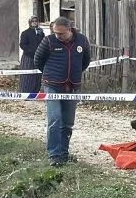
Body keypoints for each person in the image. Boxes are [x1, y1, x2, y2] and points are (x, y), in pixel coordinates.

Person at [34, 17, 91, 167]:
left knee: (67, 122)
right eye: (56, 33)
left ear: (69, 29)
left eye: (61, 33)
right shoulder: (48, 41)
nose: (58, 36)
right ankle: (54, 155)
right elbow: (38, 60)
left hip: (72, 87)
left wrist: (74, 75)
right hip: (52, 86)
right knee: (55, 120)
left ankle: (64, 154)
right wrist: (51, 76)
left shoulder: (82, 41)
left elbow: (85, 61)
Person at [19, 16, 45, 94]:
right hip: (28, 57)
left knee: (37, 75)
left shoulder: (41, 33)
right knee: (27, 75)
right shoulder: (25, 33)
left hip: (38, 57)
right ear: (30, 22)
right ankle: (25, 92)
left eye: (36, 21)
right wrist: (31, 51)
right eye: (33, 21)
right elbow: (22, 45)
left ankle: (35, 92)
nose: (34, 22)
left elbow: (43, 43)